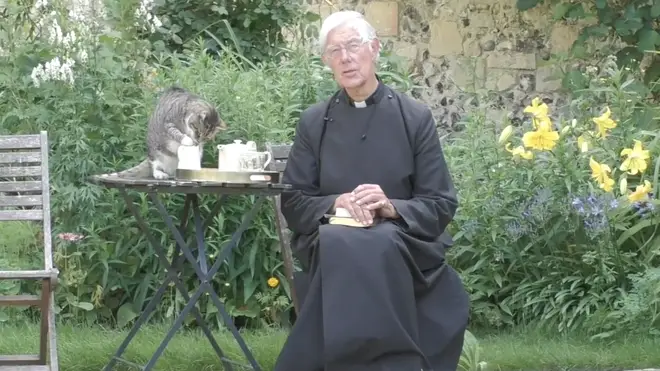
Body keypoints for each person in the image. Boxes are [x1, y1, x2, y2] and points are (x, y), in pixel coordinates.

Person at [274, 10, 470, 371]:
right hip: (331, 236)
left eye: (353, 46)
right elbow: (295, 201)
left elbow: (441, 202)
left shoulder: (414, 117)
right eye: (335, 51)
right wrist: (338, 202)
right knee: (342, 242)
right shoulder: (314, 122)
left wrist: (390, 207)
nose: (346, 58)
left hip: (402, 241)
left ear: (374, 49)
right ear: (326, 62)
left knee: (375, 244)